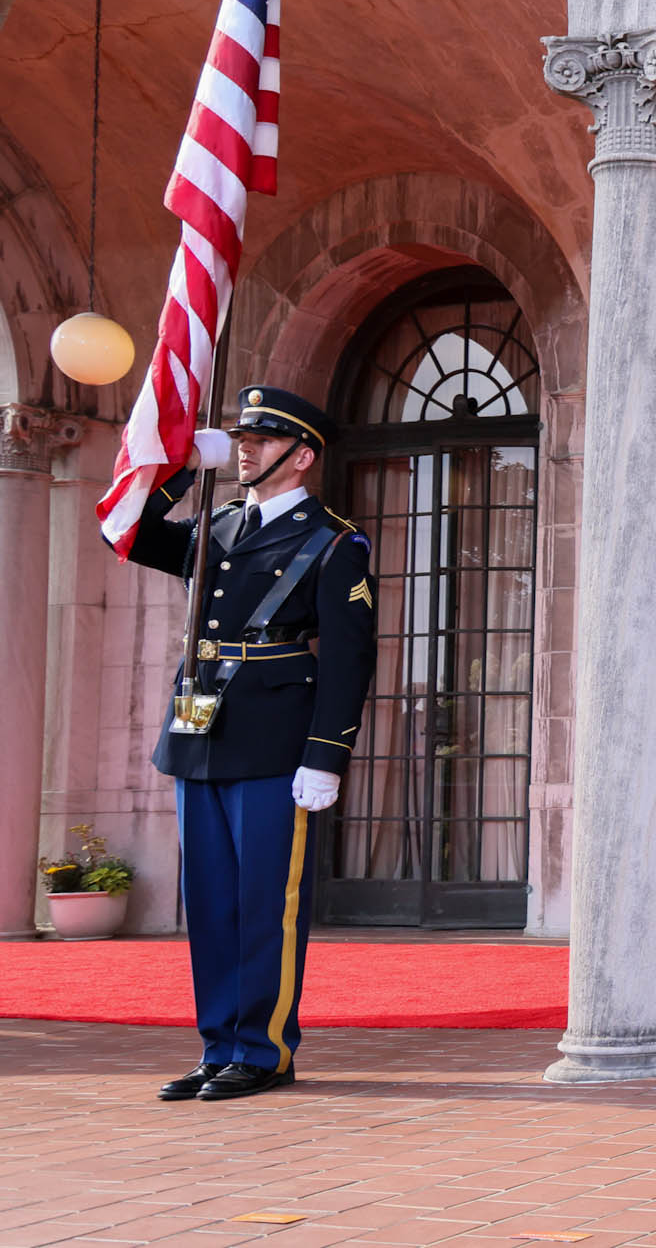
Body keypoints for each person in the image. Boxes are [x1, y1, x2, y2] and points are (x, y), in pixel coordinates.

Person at [115, 385, 376, 1102]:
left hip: (275, 743)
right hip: (200, 735)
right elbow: (124, 531)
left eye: (260, 440)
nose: (244, 449)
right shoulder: (219, 524)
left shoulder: (332, 541)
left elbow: (351, 658)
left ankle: (263, 1052)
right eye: (241, 438)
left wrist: (327, 754)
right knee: (212, 903)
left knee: (267, 902)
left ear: (302, 457)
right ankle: (219, 1046)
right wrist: (174, 468)